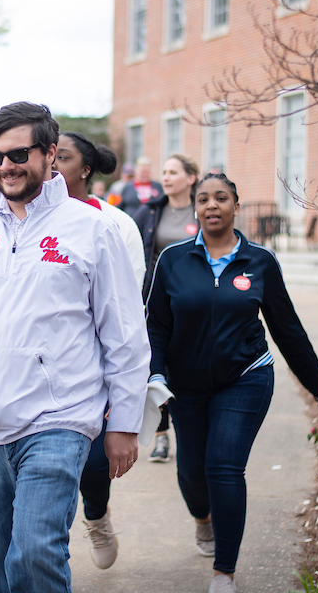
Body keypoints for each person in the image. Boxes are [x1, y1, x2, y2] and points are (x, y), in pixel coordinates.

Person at [0, 102, 150, 593]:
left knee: (36, 551)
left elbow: (123, 332)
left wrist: (124, 421)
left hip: (60, 417)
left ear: (51, 153)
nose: (6, 166)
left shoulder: (93, 228)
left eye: (19, 153)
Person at [145, 173, 318, 593]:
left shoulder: (259, 261)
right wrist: (155, 374)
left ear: (236, 206)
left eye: (222, 198)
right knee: (192, 474)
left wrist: (317, 383)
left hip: (245, 377)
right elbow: (155, 326)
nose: (212, 205)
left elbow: (287, 328)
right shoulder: (172, 260)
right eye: (204, 199)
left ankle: (224, 572)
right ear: (194, 207)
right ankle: (203, 519)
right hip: (186, 385)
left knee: (224, 466)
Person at [50, 131, 145, 570]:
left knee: (91, 464)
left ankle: (96, 515)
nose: (52, 164)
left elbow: (126, 313)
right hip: (33, 371)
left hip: (91, 369)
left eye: (62, 157)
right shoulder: (18, 218)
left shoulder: (115, 225)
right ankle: (47, 550)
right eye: (48, 155)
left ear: (85, 169)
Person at [133, 153, 202, 462]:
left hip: (195, 302)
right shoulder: (150, 212)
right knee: (157, 367)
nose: (167, 177)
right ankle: (161, 436)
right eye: (164, 172)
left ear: (190, 177)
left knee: (187, 365)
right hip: (157, 302)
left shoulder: (203, 209)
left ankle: (191, 427)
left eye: (174, 171)